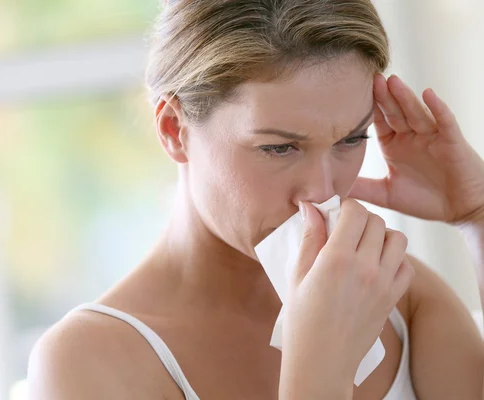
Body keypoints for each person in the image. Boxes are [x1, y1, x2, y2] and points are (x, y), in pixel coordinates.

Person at [27, 0, 484, 398]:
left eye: (351, 138)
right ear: (174, 130)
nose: (323, 191)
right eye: (279, 147)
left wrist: (477, 213)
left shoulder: (394, 295)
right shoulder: (89, 360)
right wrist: (319, 374)